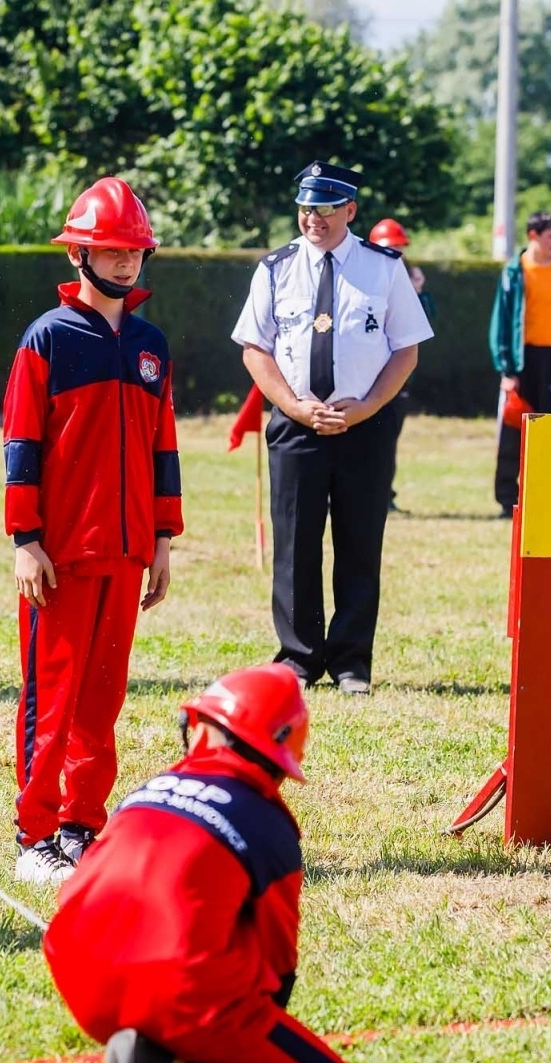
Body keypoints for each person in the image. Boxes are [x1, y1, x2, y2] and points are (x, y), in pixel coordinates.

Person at [2, 176, 183, 884]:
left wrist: (162, 537)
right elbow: (21, 444)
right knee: (52, 696)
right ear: (78, 252)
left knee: (102, 697)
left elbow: (162, 445)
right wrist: (25, 539)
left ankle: (81, 827)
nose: (124, 262)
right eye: (110, 249)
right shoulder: (46, 340)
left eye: (134, 250)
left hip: (129, 551)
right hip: (60, 557)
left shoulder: (150, 346)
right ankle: (34, 836)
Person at [43, 664, 346, 1063]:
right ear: (277, 757)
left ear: (199, 727)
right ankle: (176, 1037)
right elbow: (278, 966)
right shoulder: (270, 823)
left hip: (76, 977)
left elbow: (83, 885)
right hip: (183, 998)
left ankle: (153, 1048)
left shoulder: (143, 793)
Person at [232, 162, 432, 695]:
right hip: (296, 427)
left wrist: (366, 408)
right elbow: (256, 350)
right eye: (304, 207)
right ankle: (297, 659)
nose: (311, 218)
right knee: (295, 547)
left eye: (323, 208)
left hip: (363, 428)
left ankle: (350, 663)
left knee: (359, 543)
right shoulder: (274, 269)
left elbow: (406, 350)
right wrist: (295, 408)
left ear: (349, 211)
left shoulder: (384, 268)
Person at [488, 210, 551, 516]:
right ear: (533, 236)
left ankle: (545, 495)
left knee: (549, 427)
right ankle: (506, 499)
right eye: (550, 237)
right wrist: (507, 369)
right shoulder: (515, 270)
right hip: (522, 358)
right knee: (513, 429)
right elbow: (502, 322)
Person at [368, 217, 426, 515]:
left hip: (399, 380)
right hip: (367, 379)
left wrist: (418, 294)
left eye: (399, 249)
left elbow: (424, 327)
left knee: (388, 441)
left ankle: (385, 495)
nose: (396, 255)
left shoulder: (409, 280)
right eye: (390, 248)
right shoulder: (364, 277)